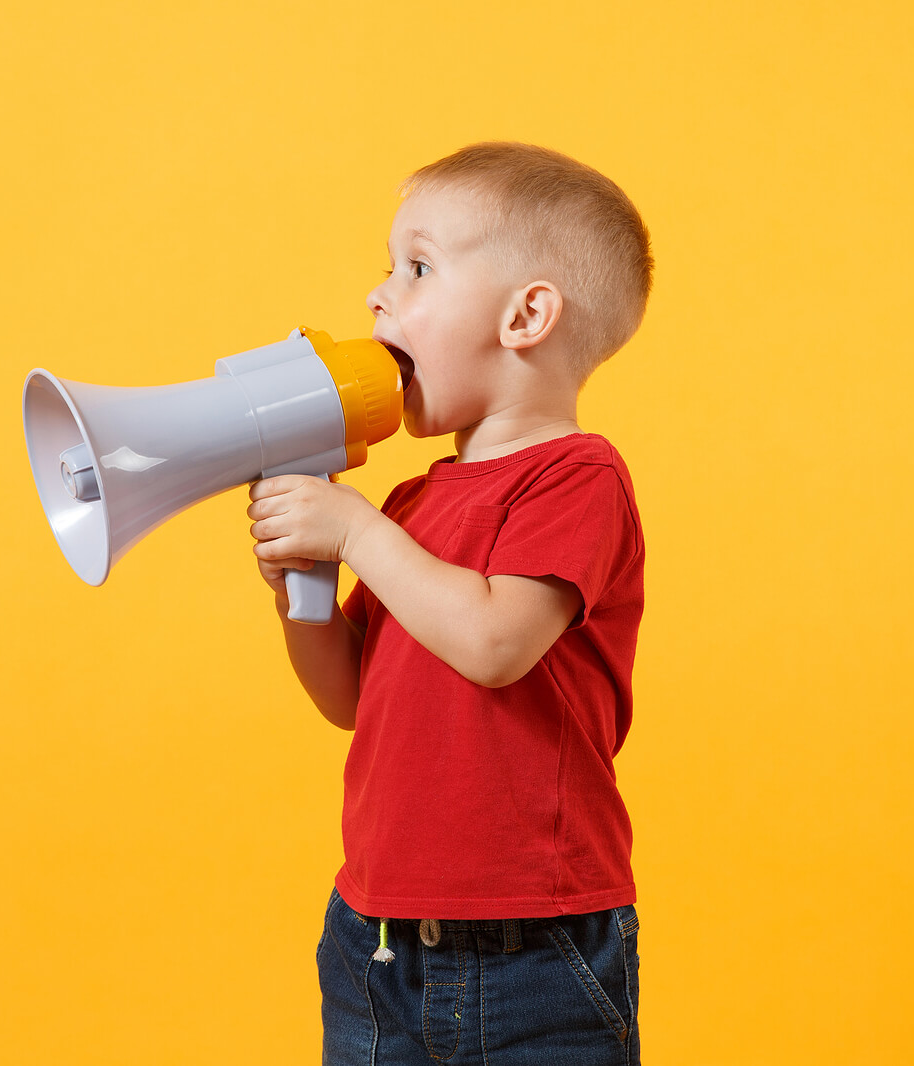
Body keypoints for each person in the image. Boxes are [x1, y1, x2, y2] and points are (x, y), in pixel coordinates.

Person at [245, 141, 652, 1065]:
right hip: (377, 940)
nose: (377, 296)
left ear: (527, 316)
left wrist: (353, 537)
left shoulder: (576, 479)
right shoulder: (411, 505)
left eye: (418, 267)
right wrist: (299, 596)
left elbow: (496, 640)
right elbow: (349, 699)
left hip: (535, 949)